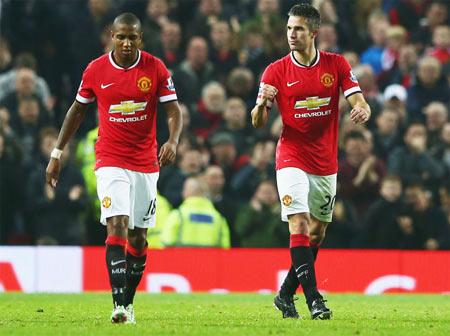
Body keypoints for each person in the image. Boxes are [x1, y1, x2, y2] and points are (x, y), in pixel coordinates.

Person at [45, 13, 182, 324]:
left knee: (138, 239)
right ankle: (118, 304)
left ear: (140, 39)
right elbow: (77, 110)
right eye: (121, 37)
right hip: (110, 158)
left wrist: (173, 140)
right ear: (111, 36)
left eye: (132, 37)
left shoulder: (155, 68)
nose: (126, 43)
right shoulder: (96, 70)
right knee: (117, 224)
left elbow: (173, 108)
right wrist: (57, 152)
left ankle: (129, 302)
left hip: (146, 162)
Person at [251, 4, 370, 320]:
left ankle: (285, 293)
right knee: (299, 223)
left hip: (325, 161)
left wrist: (363, 110)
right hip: (291, 155)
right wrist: (262, 105)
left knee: (317, 233)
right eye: (289, 28)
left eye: (299, 29)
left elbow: (357, 99)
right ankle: (315, 299)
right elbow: (257, 121)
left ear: (314, 32)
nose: (292, 34)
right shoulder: (275, 71)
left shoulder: (336, 65)